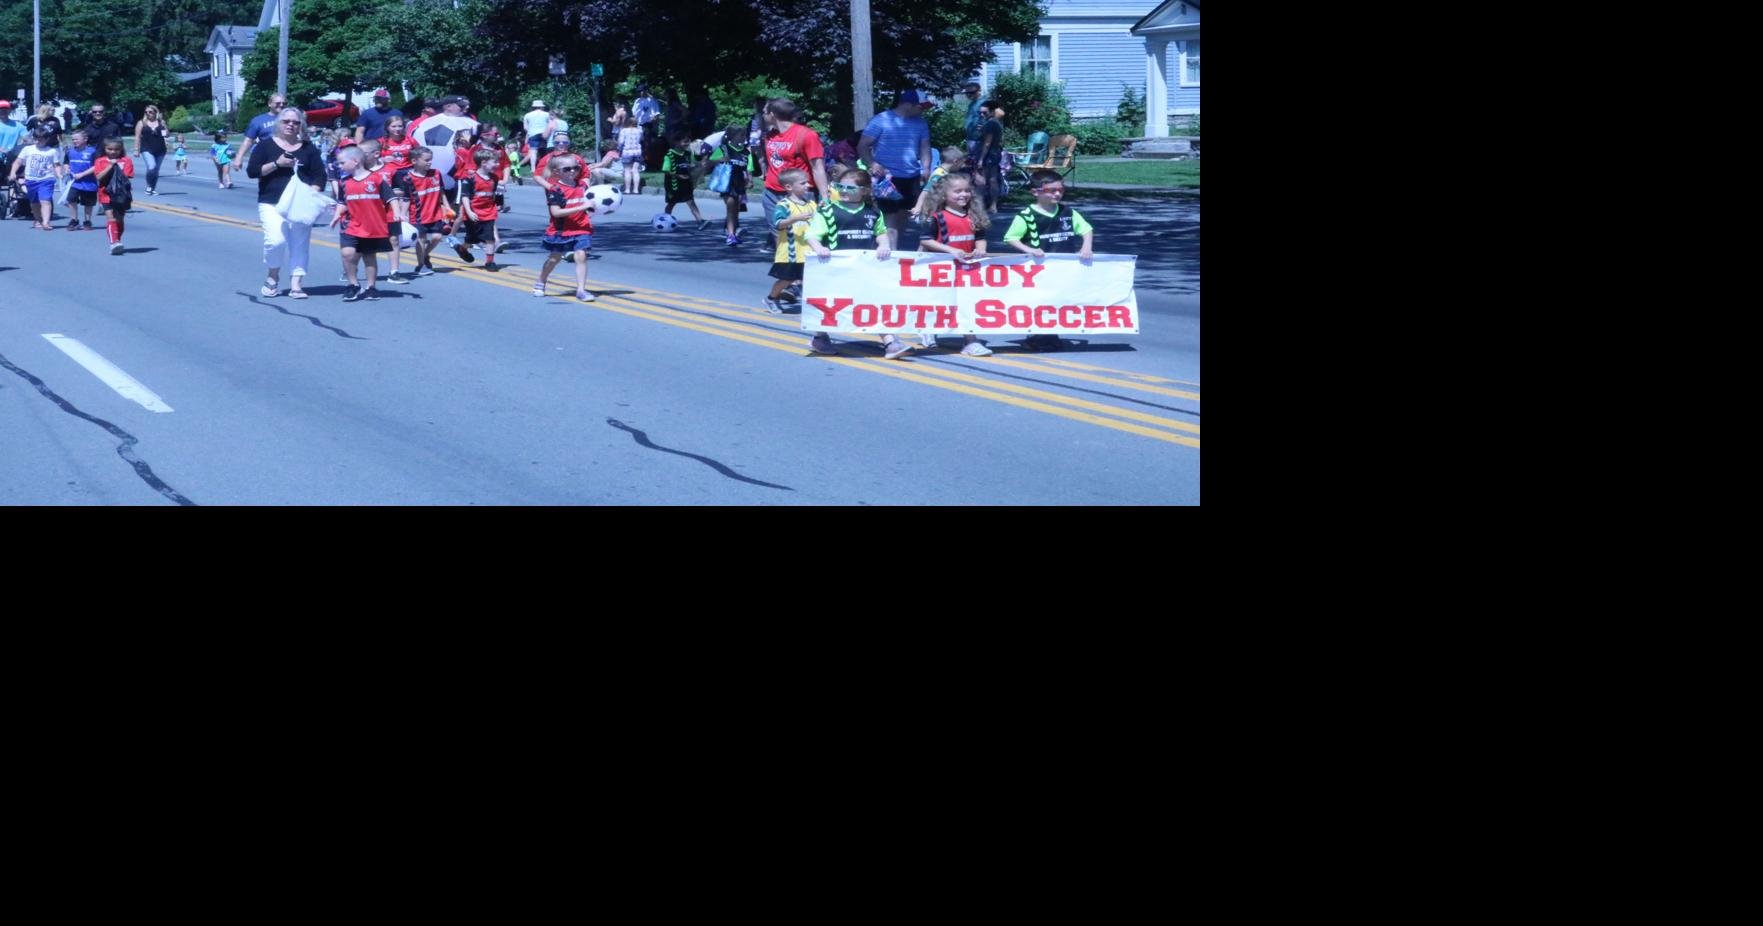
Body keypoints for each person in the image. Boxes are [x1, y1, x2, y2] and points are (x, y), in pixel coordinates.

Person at [805, 168, 904, 358]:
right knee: (831, 304)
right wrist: (819, 248)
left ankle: (890, 341)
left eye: (850, 188)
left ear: (864, 191)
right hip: (834, 268)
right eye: (840, 186)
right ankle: (820, 337)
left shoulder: (873, 212)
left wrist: (884, 245)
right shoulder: (828, 211)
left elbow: (881, 233)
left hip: (864, 268)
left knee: (872, 301)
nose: (843, 191)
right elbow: (811, 235)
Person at [1003, 170, 1095, 351]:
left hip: (1064, 267)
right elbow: (1011, 238)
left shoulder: (1068, 212)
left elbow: (1086, 229)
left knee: (1059, 300)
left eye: (1060, 189)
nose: (1057, 194)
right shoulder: (1026, 216)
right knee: (1042, 301)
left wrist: (1086, 246)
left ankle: (1051, 334)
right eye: (1051, 190)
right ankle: (1037, 335)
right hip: (1038, 269)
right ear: (1036, 192)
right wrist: (1028, 249)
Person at [245, 106, 327, 299]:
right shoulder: (265, 145)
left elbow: (320, 176)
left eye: (296, 122)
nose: (291, 125)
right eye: (287, 121)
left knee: (300, 244)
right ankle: (273, 275)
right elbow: (252, 171)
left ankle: (296, 284)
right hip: (272, 201)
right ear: (278, 123)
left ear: (301, 126)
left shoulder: (308, 148)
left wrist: (311, 193)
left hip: (300, 204)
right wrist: (276, 164)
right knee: (275, 241)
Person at [916, 174, 993, 355]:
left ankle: (970, 341)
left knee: (966, 303)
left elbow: (980, 238)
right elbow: (926, 240)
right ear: (943, 195)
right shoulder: (935, 217)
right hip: (940, 267)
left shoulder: (974, 216)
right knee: (938, 302)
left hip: (966, 268)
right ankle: (928, 330)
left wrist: (981, 249)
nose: (963, 194)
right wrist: (950, 250)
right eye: (957, 191)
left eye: (967, 190)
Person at [857, 89, 934, 251]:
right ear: (907, 104)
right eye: (920, 106)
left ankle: (895, 247)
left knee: (905, 213)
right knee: (889, 216)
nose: (923, 110)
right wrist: (872, 164)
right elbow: (863, 146)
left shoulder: (920, 123)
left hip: (912, 175)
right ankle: (891, 253)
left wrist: (926, 168)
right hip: (887, 178)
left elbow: (925, 147)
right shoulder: (881, 120)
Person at [328, 145, 394, 302]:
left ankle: (371, 287)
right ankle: (353, 284)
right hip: (350, 223)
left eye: (342, 162)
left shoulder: (376, 179)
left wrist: (399, 213)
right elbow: (342, 201)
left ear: (355, 161)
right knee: (347, 254)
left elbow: (390, 197)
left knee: (369, 256)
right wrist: (337, 215)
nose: (340, 166)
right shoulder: (344, 182)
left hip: (370, 225)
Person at [760, 98, 830, 246]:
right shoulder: (769, 136)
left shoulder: (806, 135)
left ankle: (805, 268)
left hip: (800, 194)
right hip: (772, 193)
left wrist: (824, 196)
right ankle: (784, 265)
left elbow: (817, 167)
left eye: (764, 112)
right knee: (779, 234)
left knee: (804, 236)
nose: (762, 115)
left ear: (772, 115)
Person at [536, 155, 596, 302]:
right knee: (554, 259)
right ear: (557, 172)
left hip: (581, 228)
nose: (572, 171)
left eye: (576, 168)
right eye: (567, 169)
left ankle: (581, 290)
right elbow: (556, 212)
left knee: (581, 255)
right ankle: (541, 281)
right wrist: (582, 207)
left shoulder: (583, 186)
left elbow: (591, 203)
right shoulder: (555, 190)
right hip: (561, 230)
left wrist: (593, 209)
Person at [763, 168, 817, 319]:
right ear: (789, 187)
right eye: (803, 183)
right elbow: (778, 223)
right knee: (787, 279)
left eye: (807, 182)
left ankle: (812, 305)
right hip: (791, 251)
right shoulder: (784, 205)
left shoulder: (811, 204)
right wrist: (795, 218)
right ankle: (771, 299)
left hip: (809, 249)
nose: (808, 185)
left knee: (810, 278)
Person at [392, 145, 447, 277]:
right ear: (414, 161)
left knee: (437, 237)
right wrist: (402, 214)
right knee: (421, 240)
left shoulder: (436, 173)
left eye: (431, 160)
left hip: (435, 213)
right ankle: (420, 265)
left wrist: (447, 206)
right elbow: (406, 198)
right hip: (418, 215)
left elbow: (441, 192)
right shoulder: (408, 178)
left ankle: (425, 254)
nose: (430, 162)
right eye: (426, 160)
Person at [709, 123, 756, 246]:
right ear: (733, 136)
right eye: (741, 135)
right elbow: (710, 161)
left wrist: (750, 180)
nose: (744, 137)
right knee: (730, 207)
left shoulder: (746, 152)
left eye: (744, 135)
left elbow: (749, 168)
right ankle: (730, 235)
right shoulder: (723, 148)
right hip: (727, 182)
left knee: (736, 210)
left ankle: (732, 232)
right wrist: (719, 160)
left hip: (739, 183)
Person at [9, 127, 64, 230]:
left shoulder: (51, 151)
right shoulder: (28, 149)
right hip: (31, 180)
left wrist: (59, 174)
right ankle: (38, 219)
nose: (37, 141)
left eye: (40, 139)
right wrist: (13, 172)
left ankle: (46, 222)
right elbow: (18, 162)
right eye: (36, 139)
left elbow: (56, 164)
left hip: (46, 179)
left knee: (45, 200)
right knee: (34, 203)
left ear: (47, 139)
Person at [456, 148, 502, 271]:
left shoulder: (494, 178)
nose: (497, 165)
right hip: (473, 212)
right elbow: (465, 197)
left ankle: (490, 262)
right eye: (494, 162)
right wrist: (469, 212)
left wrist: (498, 203)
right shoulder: (470, 179)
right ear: (483, 163)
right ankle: (462, 248)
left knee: (489, 237)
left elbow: (493, 193)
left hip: (489, 212)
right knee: (472, 239)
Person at [92, 138, 134, 255]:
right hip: (105, 193)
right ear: (105, 149)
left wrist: (118, 166)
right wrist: (110, 166)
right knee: (111, 217)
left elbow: (127, 177)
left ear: (121, 149)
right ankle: (113, 242)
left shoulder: (126, 161)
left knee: (119, 219)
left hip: (121, 195)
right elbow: (99, 177)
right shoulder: (100, 161)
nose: (113, 152)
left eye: (116, 149)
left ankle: (117, 240)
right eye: (109, 149)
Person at [660, 128, 707, 229]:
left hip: (686, 182)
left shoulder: (688, 154)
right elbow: (665, 170)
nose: (687, 143)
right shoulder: (670, 155)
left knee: (690, 201)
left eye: (688, 141)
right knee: (671, 203)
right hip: (673, 184)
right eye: (685, 141)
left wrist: (696, 167)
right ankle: (665, 220)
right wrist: (677, 175)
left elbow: (691, 164)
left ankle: (700, 221)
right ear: (676, 142)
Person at [911, 146, 970, 218]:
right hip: (934, 209)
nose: (962, 166)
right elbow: (925, 191)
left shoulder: (946, 173)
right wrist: (918, 207)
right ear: (956, 161)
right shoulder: (939, 174)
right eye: (962, 163)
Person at [234, 93, 288, 169]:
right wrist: (239, 157)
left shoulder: (292, 119)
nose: (282, 105)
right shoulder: (258, 121)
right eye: (278, 103)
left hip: (288, 158)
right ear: (269, 104)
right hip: (267, 160)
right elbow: (248, 140)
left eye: (284, 103)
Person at [63, 129, 100, 230]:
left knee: (88, 203)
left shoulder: (92, 151)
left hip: (89, 182)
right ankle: (74, 220)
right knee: (71, 199)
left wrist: (83, 174)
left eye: (77, 139)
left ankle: (87, 221)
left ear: (85, 139)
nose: (74, 141)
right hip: (74, 182)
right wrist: (66, 168)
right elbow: (66, 162)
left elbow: (97, 166)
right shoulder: (70, 151)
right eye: (73, 139)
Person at [972, 102, 1005, 212]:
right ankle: (993, 205)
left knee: (981, 180)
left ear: (992, 111)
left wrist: (981, 159)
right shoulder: (996, 123)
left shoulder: (990, 124)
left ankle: (979, 207)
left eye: (984, 113)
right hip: (995, 153)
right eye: (980, 113)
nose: (982, 115)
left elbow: (987, 143)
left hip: (987, 155)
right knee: (993, 179)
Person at [133, 104, 169, 195]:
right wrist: (136, 149)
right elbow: (137, 137)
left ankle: (152, 188)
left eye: (150, 112)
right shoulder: (141, 123)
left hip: (160, 149)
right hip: (146, 148)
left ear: (155, 113)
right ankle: (149, 185)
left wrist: (164, 126)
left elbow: (166, 135)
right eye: (146, 112)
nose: (148, 113)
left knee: (156, 170)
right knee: (151, 166)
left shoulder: (161, 122)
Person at [522, 99, 551, 176]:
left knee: (533, 151)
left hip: (533, 134)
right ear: (541, 107)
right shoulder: (547, 114)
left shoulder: (527, 115)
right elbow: (550, 125)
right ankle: (545, 167)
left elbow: (525, 128)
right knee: (544, 151)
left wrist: (531, 131)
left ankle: (533, 169)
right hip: (544, 133)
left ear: (533, 107)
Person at [616, 117, 644, 194]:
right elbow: (641, 140)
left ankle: (627, 189)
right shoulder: (639, 131)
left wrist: (618, 150)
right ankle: (636, 190)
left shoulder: (624, 131)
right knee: (635, 171)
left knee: (627, 171)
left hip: (627, 152)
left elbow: (621, 142)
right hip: (637, 152)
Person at [959, 79, 984, 158]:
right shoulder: (972, 104)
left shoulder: (984, 103)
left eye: (972, 93)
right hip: (970, 136)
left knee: (979, 161)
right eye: (967, 93)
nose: (969, 95)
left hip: (979, 138)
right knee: (972, 161)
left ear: (979, 91)